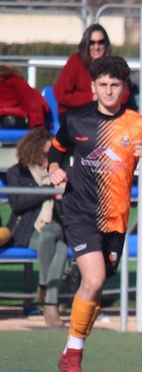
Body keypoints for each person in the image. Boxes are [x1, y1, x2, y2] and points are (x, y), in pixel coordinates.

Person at [47, 56, 142, 372]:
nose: (108, 91)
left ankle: (71, 348)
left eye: (114, 85)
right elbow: (56, 149)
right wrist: (54, 168)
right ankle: (74, 356)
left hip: (115, 220)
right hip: (79, 212)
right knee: (93, 279)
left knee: (96, 286)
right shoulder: (76, 121)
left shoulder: (138, 125)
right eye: (102, 85)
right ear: (93, 88)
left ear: (124, 89)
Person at [5, 128, 69, 327]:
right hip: (27, 229)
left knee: (49, 232)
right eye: (46, 154)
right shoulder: (17, 172)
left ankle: (44, 288)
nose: (50, 159)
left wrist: (64, 195)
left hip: (56, 225)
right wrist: (49, 189)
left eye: (53, 154)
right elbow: (17, 204)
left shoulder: (61, 171)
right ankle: (50, 304)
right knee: (59, 249)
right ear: (33, 151)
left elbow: (74, 206)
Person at [53, 24, 130, 115]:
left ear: (106, 44)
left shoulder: (113, 64)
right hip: (75, 112)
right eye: (92, 43)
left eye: (100, 42)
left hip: (106, 111)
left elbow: (125, 93)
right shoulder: (75, 62)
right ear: (86, 44)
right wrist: (92, 97)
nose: (96, 47)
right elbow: (61, 94)